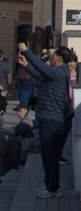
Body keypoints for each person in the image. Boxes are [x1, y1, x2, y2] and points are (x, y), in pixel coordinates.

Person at [16, 42, 72, 198]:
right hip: (51, 117)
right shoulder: (59, 72)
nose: (51, 57)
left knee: (49, 155)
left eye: (53, 54)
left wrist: (26, 50)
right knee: (50, 155)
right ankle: (51, 185)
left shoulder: (59, 72)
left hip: (51, 118)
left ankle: (53, 188)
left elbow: (42, 68)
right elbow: (41, 75)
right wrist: (26, 65)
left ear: (59, 58)